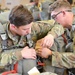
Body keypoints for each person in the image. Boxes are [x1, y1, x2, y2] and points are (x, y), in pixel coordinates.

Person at [0, 5, 64, 75]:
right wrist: (20, 54)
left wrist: (51, 36)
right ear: (13, 26)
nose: (29, 31)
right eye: (25, 29)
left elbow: (58, 25)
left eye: (30, 27)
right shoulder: (1, 34)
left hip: (32, 71)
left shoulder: (32, 27)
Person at [35, 0, 75, 75]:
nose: (54, 20)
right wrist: (50, 36)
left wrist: (50, 54)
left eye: (54, 17)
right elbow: (57, 28)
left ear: (63, 13)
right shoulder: (68, 28)